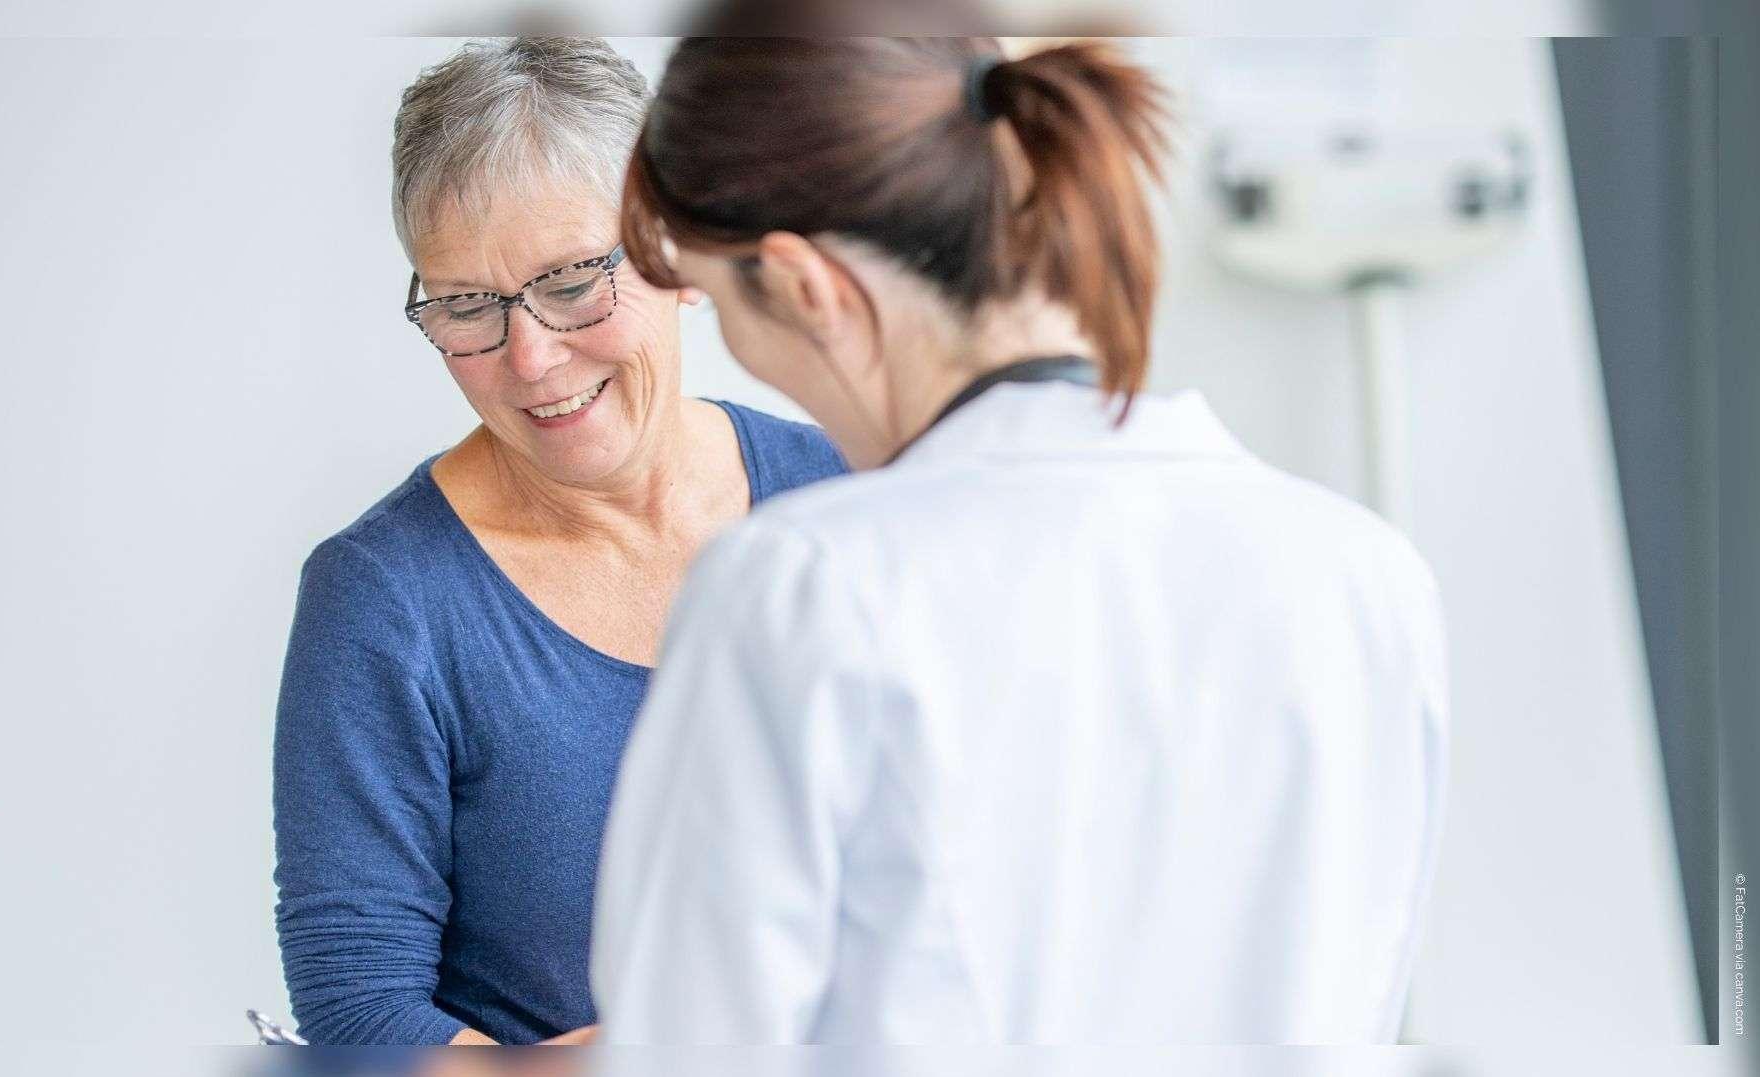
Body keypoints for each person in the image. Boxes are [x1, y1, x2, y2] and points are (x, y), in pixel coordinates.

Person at [590, 35, 1449, 1043]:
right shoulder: (1360, 574)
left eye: (712, 300)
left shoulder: (802, 584)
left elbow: (686, 1048)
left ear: (800, 285)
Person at [270, 38, 846, 1046]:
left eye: (572, 282)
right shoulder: (382, 599)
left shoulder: (849, 497)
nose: (529, 359)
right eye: (465, 305)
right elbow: (359, 1014)